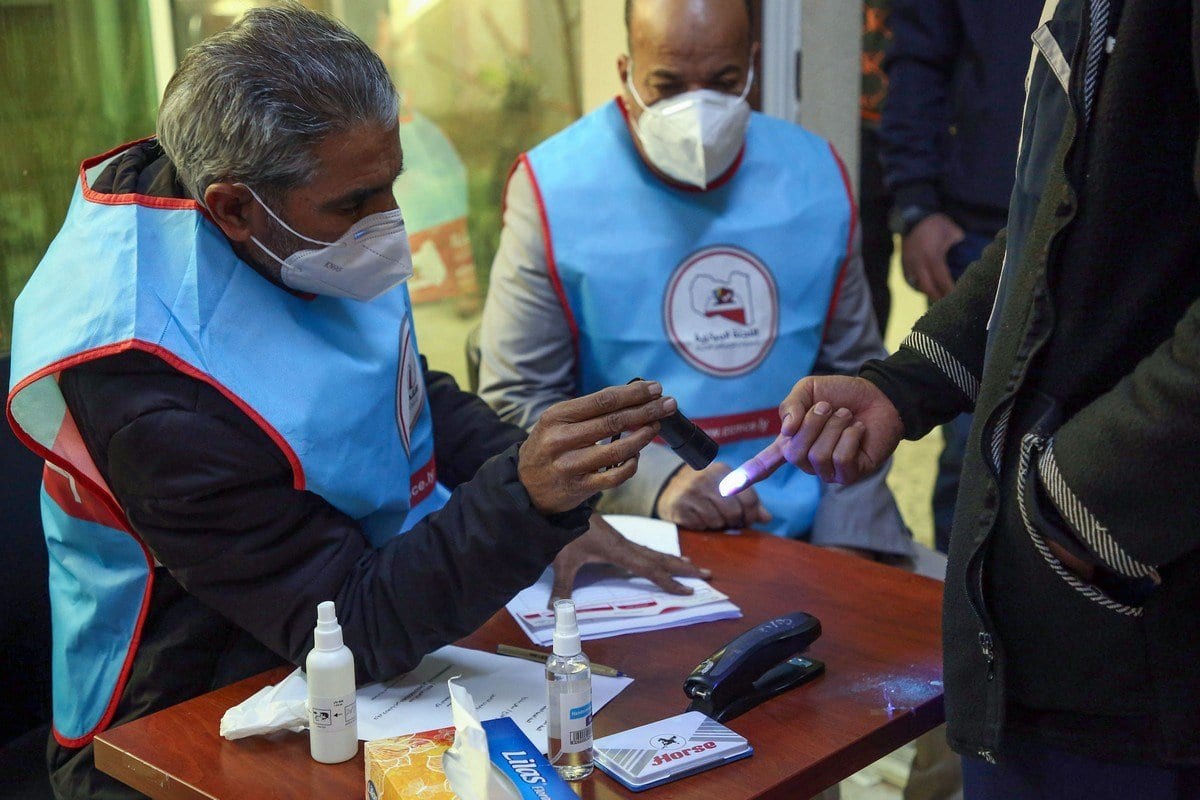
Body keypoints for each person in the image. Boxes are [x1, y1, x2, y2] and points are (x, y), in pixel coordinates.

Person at [5, 6, 704, 798]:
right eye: (356, 203)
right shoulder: (148, 389)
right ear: (233, 208)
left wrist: (542, 470)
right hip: (184, 711)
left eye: (391, 186)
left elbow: (403, 387)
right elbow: (348, 631)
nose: (390, 226)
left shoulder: (298, 234)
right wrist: (527, 503)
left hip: (343, 626)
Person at [737, 0, 1200, 796]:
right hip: (1038, 645)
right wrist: (904, 385)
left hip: (1134, 658)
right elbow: (1048, 231)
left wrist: (1075, 502)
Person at [478, 0, 910, 559]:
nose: (697, 108)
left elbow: (859, 383)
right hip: (631, 532)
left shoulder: (815, 176)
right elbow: (516, 399)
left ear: (753, 66)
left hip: (813, 526)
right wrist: (655, 482)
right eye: (667, 84)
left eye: (724, 81)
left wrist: (849, 547)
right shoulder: (554, 190)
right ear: (625, 71)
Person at [881, 0, 1044, 553]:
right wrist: (915, 204)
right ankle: (955, 613)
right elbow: (916, 63)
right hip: (977, 227)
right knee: (973, 448)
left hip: (1100, 221)